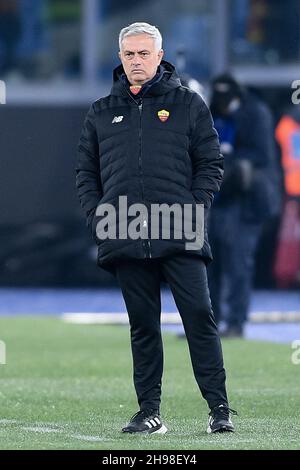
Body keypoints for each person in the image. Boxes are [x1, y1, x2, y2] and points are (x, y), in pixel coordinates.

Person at [76, 22, 237, 435]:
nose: (136, 61)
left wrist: (195, 208)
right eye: (129, 54)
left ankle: (219, 409)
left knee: (199, 315)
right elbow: (85, 174)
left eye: (144, 54)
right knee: (143, 324)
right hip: (124, 230)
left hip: (180, 227)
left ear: (159, 57)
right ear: (120, 57)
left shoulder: (189, 104)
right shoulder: (100, 111)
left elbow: (211, 164)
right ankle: (149, 412)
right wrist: (99, 218)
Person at [208, 74, 278, 338]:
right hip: (219, 199)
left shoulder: (255, 113)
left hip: (247, 200)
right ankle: (209, 323)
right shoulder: (213, 113)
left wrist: (232, 164)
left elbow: (262, 155)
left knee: (238, 261)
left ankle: (236, 322)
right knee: (208, 263)